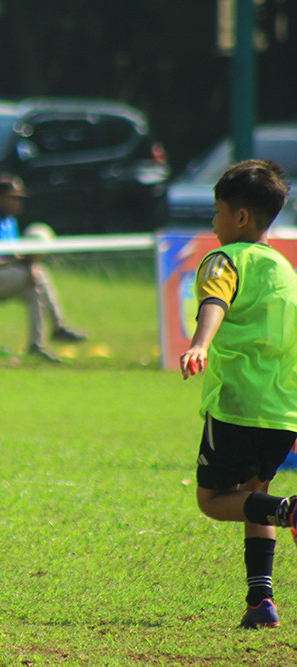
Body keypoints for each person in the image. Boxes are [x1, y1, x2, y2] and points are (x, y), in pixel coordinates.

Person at [179, 159, 297, 629]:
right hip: (283, 410)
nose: (213, 221)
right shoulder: (285, 271)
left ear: (240, 217)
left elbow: (215, 301)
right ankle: (260, 601)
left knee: (212, 500)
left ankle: (291, 511)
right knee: (255, 495)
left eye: (217, 211)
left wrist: (200, 344)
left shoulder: (225, 258)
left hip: (237, 404)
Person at [0, 174, 86, 361]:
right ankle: (58, 327)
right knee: (39, 274)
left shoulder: (9, 222)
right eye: (14, 197)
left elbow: (13, 256)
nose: (18, 202)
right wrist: (24, 262)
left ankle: (36, 345)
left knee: (35, 291)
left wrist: (27, 262)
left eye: (20, 198)